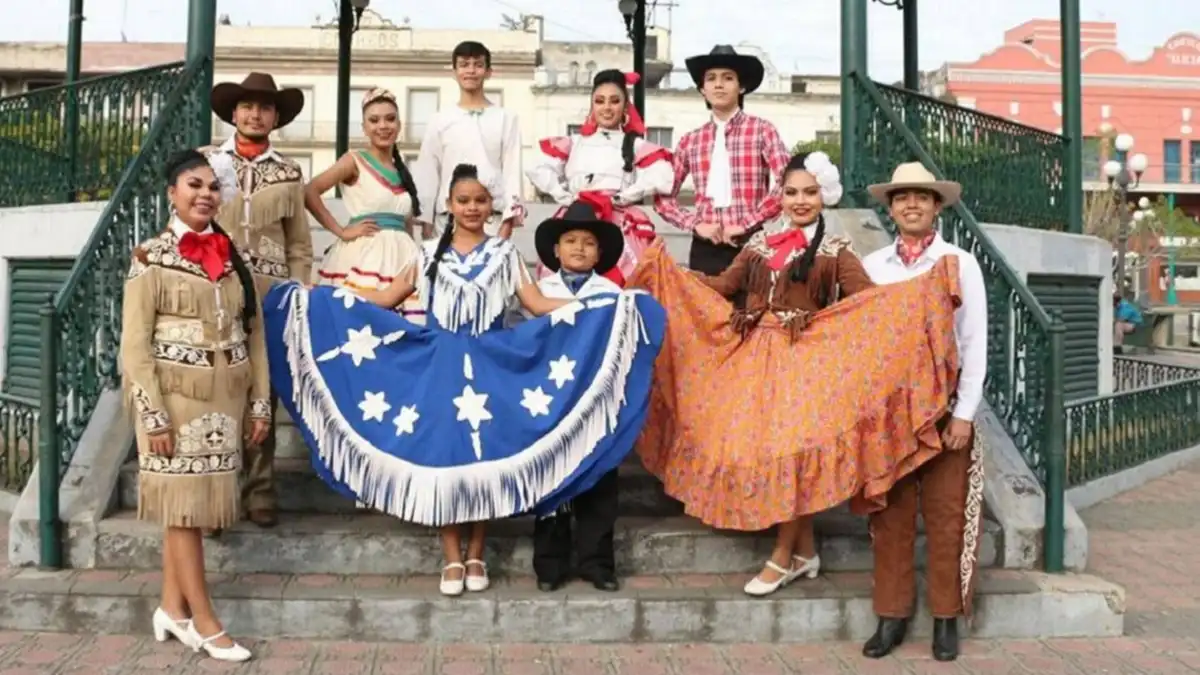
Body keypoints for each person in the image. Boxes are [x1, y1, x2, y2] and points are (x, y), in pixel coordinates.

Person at [261, 164, 665, 599]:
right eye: (464, 201)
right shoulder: (427, 253)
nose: (472, 208)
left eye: (480, 200)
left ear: (491, 206)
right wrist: (322, 298)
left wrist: (613, 309)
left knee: (483, 457)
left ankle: (477, 552)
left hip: (491, 363)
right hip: (439, 366)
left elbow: (539, 304)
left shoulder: (506, 255)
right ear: (449, 206)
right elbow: (386, 299)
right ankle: (451, 554)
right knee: (446, 458)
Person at [631, 152, 965, 599]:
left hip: (807, 366)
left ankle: (781, 555)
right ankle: (805, 551)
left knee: (791, 455)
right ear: (780, 197)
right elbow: (723, 288)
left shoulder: (835, 250)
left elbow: (869, 304)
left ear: (823, 196)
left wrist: (924, 294)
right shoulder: (759, 244)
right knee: (770, 451)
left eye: (809, 192)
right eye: (791, 192)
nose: (800, 200)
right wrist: (670, 273)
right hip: (755, 363)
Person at [121, 149, 269, 663]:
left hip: (225, 400)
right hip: (173, 404)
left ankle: (171, 608)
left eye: (212, 186)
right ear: (171, 193)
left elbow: (255, 336)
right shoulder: (149, 258)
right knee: (184, 512)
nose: (205, 194)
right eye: (193, 184)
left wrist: (260, 404)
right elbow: (134, 347)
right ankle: (205, 623)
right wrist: (152, 415)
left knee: (190, 510)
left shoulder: (233, 260)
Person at [859, 162, 989, 662]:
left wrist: (964, 413)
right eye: (901, 197)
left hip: (945, 405)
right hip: (889, 411)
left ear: (937, 206)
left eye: (921, 197)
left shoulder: (959, 263)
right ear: (890, 208)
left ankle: (945, 618)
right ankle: (890, 616)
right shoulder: (873, 267)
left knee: (946, 514)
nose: (911, 204)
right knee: (889, 514)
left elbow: (974, 341)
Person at [204, 72, 314, 529]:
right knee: (217, 388)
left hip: (269, 294)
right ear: (234, 113)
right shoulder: (207, 164)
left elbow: (299, 246)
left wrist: (297, 291)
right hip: (215, 287)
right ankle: (215, 494)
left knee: (262, 391)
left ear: (275, 118)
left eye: (265, 108)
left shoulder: (288, 172)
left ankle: (261, 489)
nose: (255, 113)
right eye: (248, 106)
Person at [526, 197, 627, 592]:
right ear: (556, 249)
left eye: (588, 242)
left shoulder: (614, 295)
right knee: (551, 481)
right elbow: (522, 340)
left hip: (598, 400)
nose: (579, 248)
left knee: (599, 482)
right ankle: (549, 566)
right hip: (551, 400)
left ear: (599, 252)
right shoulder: (535, 292)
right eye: (571, 240)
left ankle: (597, 564)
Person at [526, 69, 674, 286]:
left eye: (614, 101)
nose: (606, 107)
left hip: (618, 220)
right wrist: (562, 195)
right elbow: (537, 167)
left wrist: (624, 197)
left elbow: (661, 175)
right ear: (592, 105)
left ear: (625, 106)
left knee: (627, 281)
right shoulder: (574, 142)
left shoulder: (634, 145)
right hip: (577, 215)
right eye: (600, 101)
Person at [653, 45, 790, 278]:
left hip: (750, 242)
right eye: (711, 79)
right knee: (705, 310)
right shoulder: (690, 141)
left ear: (741, 86)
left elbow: (788, 181)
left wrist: (749, 222)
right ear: (702, 89)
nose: (719, 84)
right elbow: (662, 197)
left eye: (728, 78)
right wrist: (696, 224)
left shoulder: (762, 131)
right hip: (705, 245)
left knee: (750, 310)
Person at [308, 88, 427, 324]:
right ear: (364, 128)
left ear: (399, 124)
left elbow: (406, 223)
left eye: (390, 119)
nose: (383, 126)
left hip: (403, 256)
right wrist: (341, 230)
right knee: (358, 324)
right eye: (374, 120)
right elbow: (309, 191)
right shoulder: (353, 160)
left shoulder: (402, 171)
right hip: (363, 254)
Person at [413, 41, 525, 239]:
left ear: (489, 72)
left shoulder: (506, 118)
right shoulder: (440, 120)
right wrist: (426, 223)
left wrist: (508, 222)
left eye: (478, 65)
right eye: (464, 64)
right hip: (447, 219)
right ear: (454, 71)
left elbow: (512, 171)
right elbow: (428, 172)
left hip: (492, 219)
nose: (471, 71)